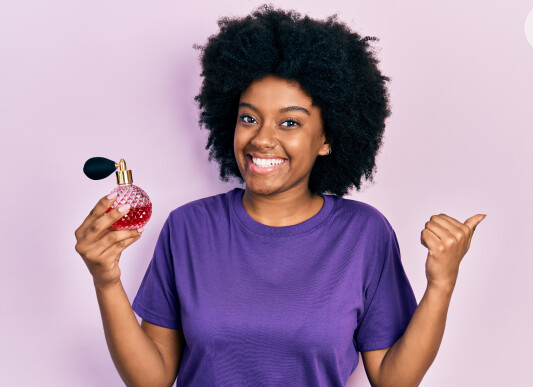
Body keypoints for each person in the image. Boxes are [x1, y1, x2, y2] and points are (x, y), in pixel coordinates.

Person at [74, 5, 485, 386]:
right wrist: (106, 281)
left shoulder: (364, 233)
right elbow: (153, 379)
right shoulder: (189, 227)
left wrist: (442, 282)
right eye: (249, 118)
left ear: (326, 138)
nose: (262, 139)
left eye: (289, 122)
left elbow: (393, 380)